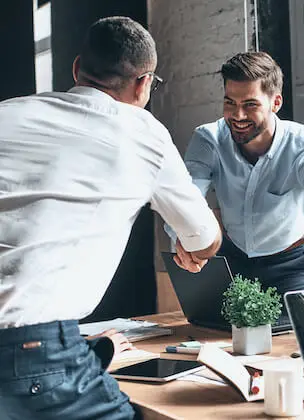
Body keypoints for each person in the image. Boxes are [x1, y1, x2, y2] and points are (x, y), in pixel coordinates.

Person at [0, 17, 222, 419]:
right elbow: (206, 240)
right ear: (143, 84)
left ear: (76, 69)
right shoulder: (141, 132)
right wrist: (187, 243)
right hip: (32, 354)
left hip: (36, 351)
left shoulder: (8, 114)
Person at [169, 51, 304, 301]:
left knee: (293, 339)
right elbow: (183, 198)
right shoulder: (209, 139)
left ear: (275, 103)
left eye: (250, 105)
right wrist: (182, 239)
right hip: (231, 260)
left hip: (290, 265)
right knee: (218, 337)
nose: (237, 116)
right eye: (230, 103)